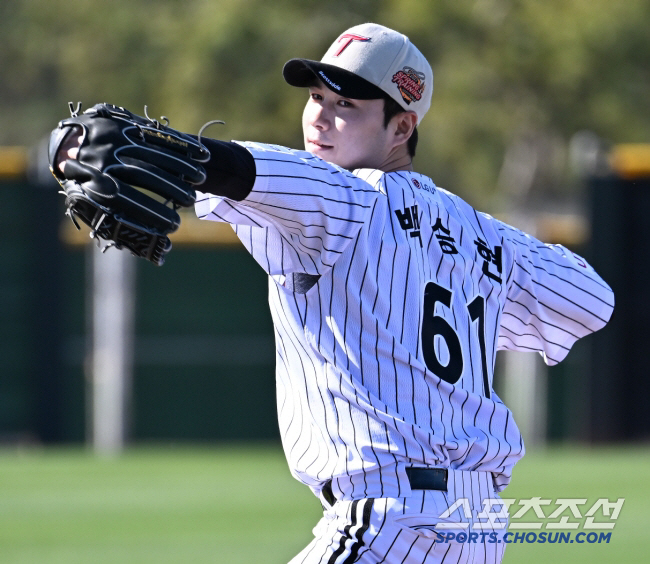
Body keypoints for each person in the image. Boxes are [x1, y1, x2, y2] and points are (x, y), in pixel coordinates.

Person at [56, 22, 614, 564]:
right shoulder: (480, 236)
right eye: (317, 96)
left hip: (390, 523)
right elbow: (592, 300)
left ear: (402, 128)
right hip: (476, 525)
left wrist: (151, 150)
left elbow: (259, 173)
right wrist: (482, 265)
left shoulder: (346, 197)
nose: (320, 116)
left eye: (347, 105)